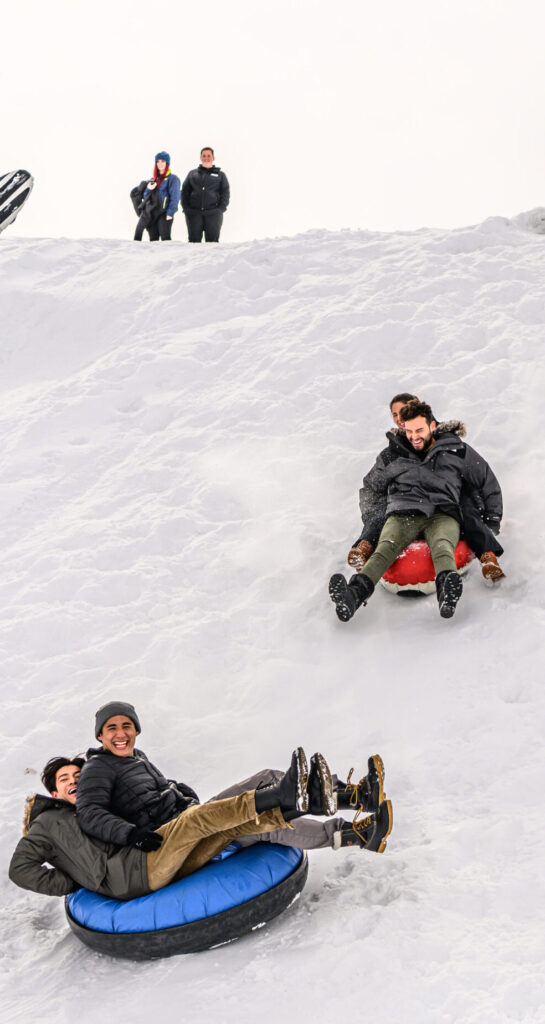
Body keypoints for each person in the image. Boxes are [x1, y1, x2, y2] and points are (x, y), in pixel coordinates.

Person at [9, 718, 393, 901]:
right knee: (236, 824)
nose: (75, 780)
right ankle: (319, 813)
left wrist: (176, 793)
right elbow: (20, 869)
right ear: (53, 792)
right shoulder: (49, 825)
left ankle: (355, 801)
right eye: (64, 779)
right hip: (141, 868)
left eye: (78, 774)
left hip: (164, 843)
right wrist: (76, 881)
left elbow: (137, 812)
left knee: (260, 784)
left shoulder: (104, 801)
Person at [330, 399, 503, 621]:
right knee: (385, 549)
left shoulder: (456, 450)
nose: (414, 436)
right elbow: (371, 487)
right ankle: (352, 596)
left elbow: (487, 482)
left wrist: (492, 522)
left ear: (432, 426)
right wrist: (373, 518)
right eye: (409, 431)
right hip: (403, 512)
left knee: (442, 546)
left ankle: (447, 594)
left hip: (443, 512)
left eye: (419, 429)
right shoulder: (392, 454)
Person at [181, 147, 229, 242]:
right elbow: (185, 191)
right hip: (194, 214)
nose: (206, 158)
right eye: (204, 156)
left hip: (213, 213)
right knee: (194, 243)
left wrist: (220, 209)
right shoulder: (192, 173)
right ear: (200, 158)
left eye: (209, 155)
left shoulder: (220, 175)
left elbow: (225, 192)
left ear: (213, 158)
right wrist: (186, 209)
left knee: (212, 244)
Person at [131, 151, 180, 242]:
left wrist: (170, 212)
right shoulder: (153, 179)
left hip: (164, 214)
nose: (160, 164)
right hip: (151, 214)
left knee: (165, 238)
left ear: (167, 163)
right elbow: (146, 197)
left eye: (163, 161)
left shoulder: (173, 179)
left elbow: (175, 197)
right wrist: (149, 189)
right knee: (153, 240)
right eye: (158, 161)